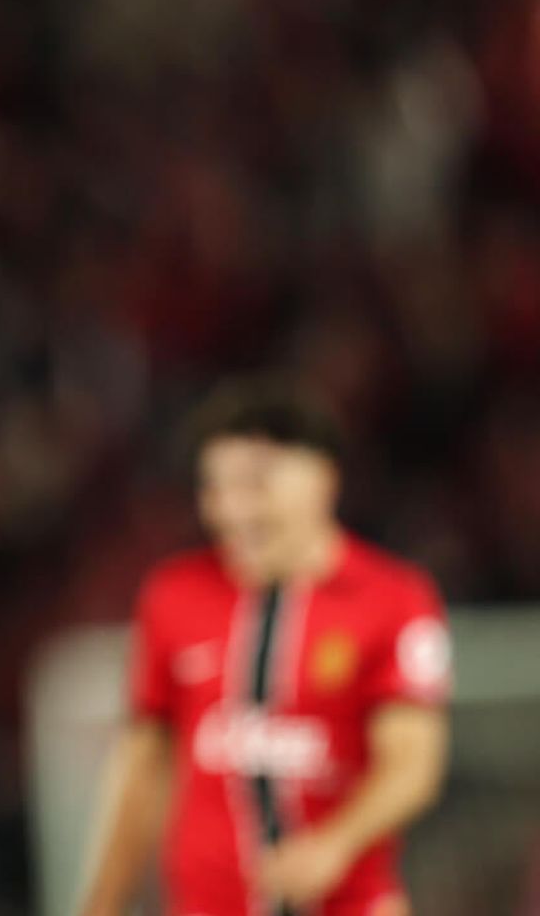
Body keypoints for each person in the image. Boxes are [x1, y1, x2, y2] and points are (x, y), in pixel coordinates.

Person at [76, 379, 450, 916]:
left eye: (255, 482)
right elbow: (141, 771)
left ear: (323, 479)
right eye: (215, 488)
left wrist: (335, 843)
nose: (232, 509)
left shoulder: (395, 598)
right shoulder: (173, 596)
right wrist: (102, 904)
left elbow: (412, 765)